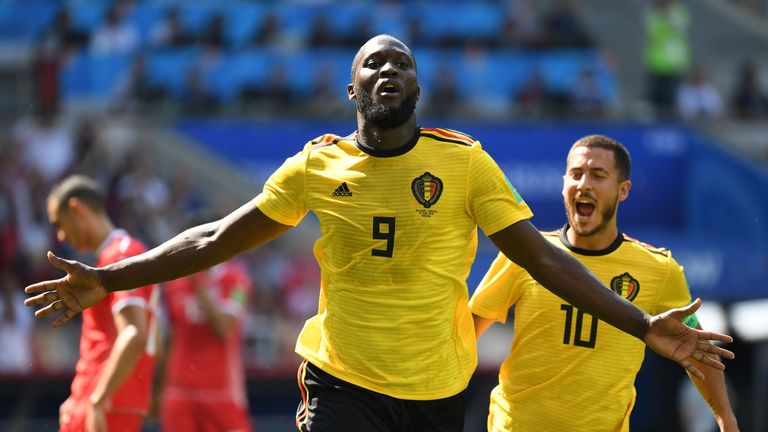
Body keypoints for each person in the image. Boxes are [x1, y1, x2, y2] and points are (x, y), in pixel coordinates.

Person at [26, 35, 733, 432]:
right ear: (352, 91)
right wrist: (109, 278)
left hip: (434, 396)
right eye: (374, 63)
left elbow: (547, 261)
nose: (390, 69)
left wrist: (642, 327)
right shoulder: (316, 165)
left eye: (403, 63)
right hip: (341, 383)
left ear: (417, 89)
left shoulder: (466, 164)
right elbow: (213, 239)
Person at [470, 134, 739, 431]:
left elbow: (696, 350)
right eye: (576, 174)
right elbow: (467, 332)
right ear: (563, 185)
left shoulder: (660, 270)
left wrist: (725, 418)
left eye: (598, 175)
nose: (584, 184)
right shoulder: (525, 254)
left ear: (623, 190)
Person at [45, 175, 157, 432]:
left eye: (59, 224)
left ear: (76, 209)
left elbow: (134, 333)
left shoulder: (121, 255)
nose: (61, 236)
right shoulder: (125, 254)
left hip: (105, 406)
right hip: (106, 400)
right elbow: (155, 340)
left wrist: (97, 400)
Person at [159, 232, 253, 432]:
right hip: (180, 391)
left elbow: (224, 328)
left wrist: (198, 284)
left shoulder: (237, 281)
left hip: (221, 391)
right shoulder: (174, 283)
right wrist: (159, 389)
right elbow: (171, 337)